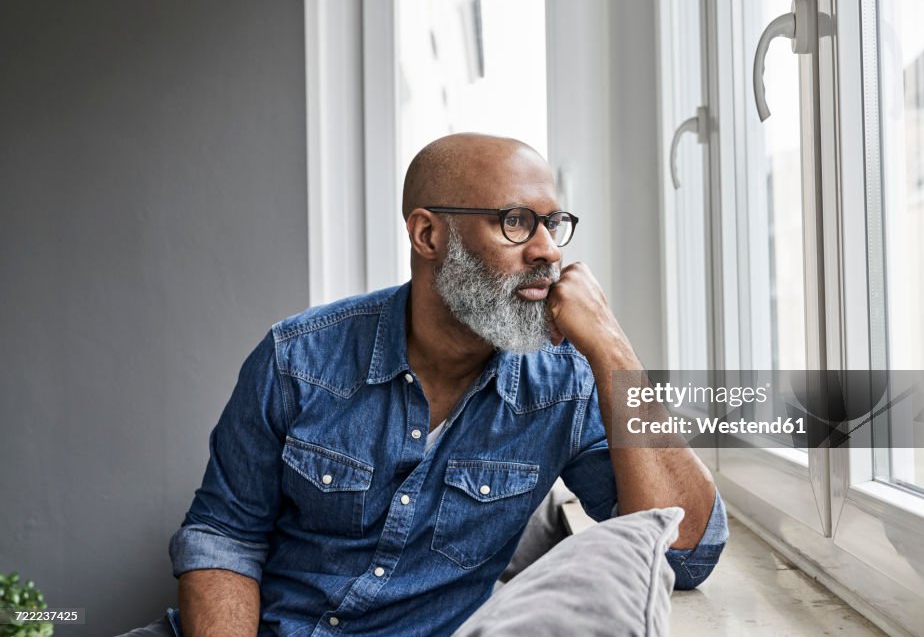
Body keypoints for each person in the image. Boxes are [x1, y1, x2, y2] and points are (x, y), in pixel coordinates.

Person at [154, 133, 727, 636]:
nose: (549, 250)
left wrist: (613, 349)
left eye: (553, 224)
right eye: (516, 221)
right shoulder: (296, 358)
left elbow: (685, 553)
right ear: (428, 234)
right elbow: (224, 536)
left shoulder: (567, 385)